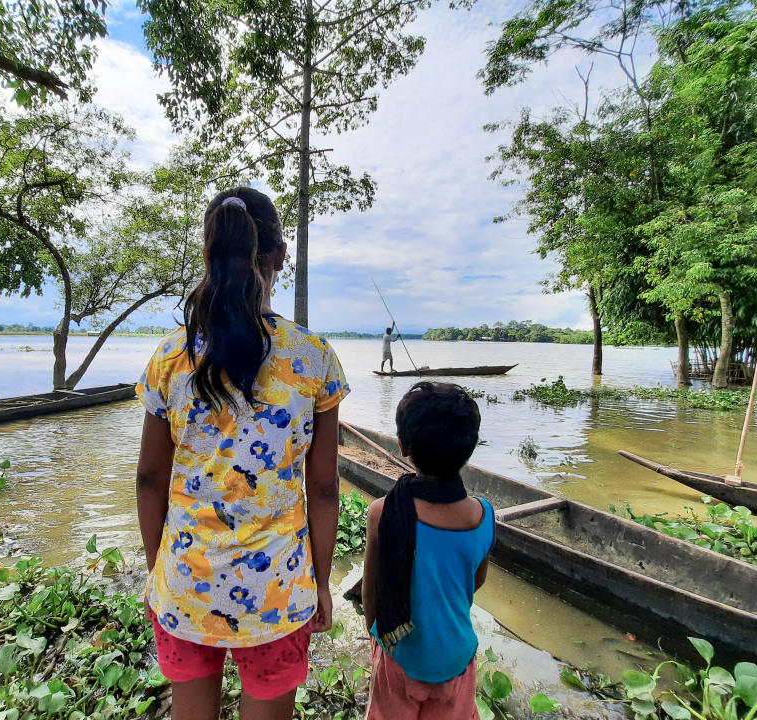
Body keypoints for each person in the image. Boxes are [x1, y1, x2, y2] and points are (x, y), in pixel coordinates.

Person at [135, 187, 350, 720]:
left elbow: (148, 479)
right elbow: (323, 487)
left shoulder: (170, 355)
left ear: (211, 255)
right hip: (277, 587)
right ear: (279, 258)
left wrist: (157, 573)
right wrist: (319, 584)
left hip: (185, 581)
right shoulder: (313, 357)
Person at [361, 382, 494, 720]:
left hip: (399, 656)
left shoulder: (382, 511)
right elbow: (476, 581)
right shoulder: (484, 515)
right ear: (471, 447)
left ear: (403, 446)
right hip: (456, 658)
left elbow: (371, 587)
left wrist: (375, 628)